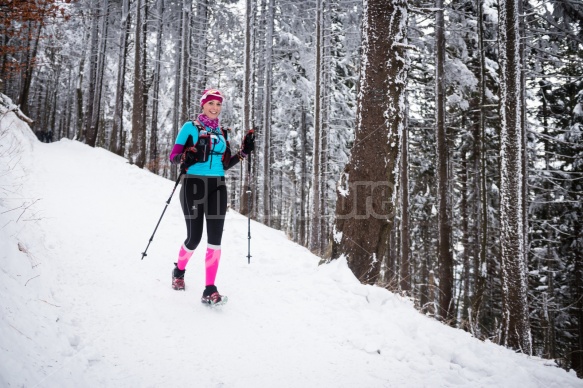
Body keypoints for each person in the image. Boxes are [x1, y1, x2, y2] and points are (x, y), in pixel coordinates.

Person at [168, 88, 255, 305]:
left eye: (218, 104)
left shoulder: (222, 133)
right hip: (193, 185)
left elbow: (225, 164)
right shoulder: (190, 127)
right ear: (203, 104)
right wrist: (185, 158)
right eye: (211, 103)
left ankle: (209, 289)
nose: (215, 108)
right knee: (194, 238)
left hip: (218, 186)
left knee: (215, 240)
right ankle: (178, 271)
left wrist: (244, 152)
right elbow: (174, 156)